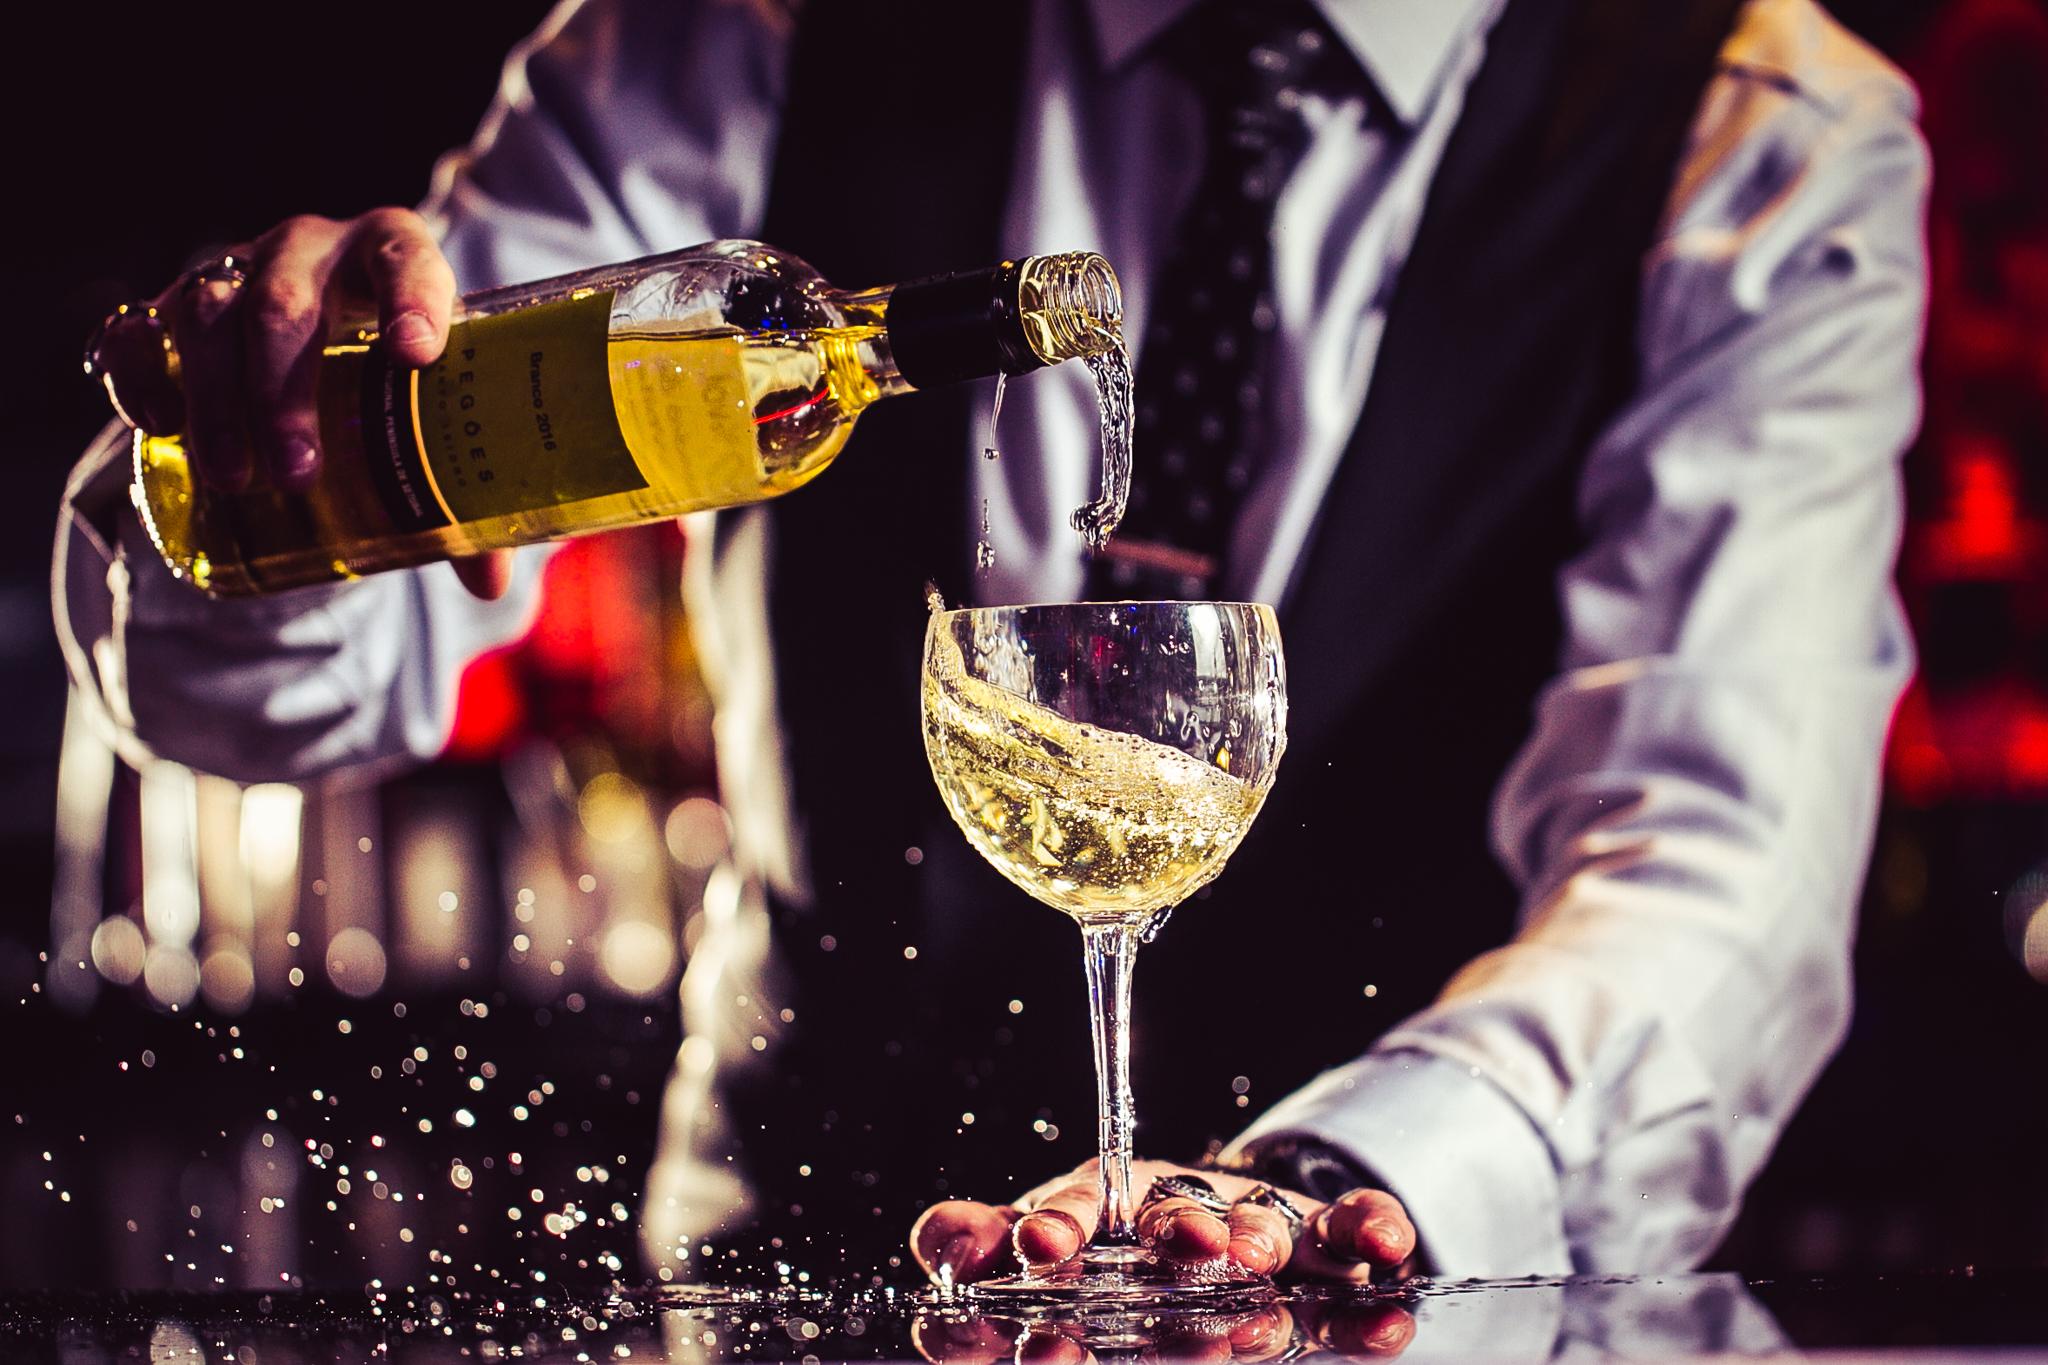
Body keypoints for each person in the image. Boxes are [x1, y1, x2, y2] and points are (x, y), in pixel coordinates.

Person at [60, 0, 1928, 1284]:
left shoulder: (1764, 129)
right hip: (801, 1278)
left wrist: (1346, 1194)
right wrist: (275, 461)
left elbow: (1716, 863)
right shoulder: (746, 28)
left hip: (1413, 1311)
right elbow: (269, 692)